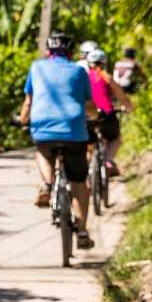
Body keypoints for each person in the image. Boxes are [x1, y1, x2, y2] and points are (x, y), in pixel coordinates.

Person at [19, 32, 97, 249]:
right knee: (79, 183)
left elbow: (28, 102)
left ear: (48, 52)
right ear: (71, 53)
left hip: (44, 128)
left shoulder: (37, 67)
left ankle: (46, 184)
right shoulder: (80, 71)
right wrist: (94, 114)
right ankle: (82, 232)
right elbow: (89, 104)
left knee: (42, 151)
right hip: (74, 130)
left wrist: (23, 120)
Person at [86, 49, 134, 176]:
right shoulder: (106, 77)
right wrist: (129, 107)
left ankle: (87, 176)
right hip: (105, 114)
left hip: (87, 116)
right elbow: (121, 96)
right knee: (115, 138)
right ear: (104, 62)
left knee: (86, 144)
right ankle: (108, 160)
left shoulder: (84, 77)